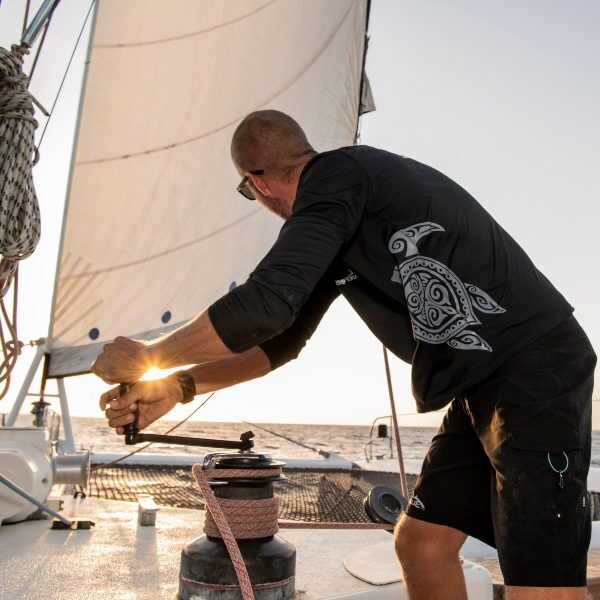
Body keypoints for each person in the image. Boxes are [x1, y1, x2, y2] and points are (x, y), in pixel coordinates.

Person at [92, 109, 596, 600]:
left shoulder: (340, 174)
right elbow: (277, 343)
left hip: (535, 368)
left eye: (249, 191)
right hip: (477, 387)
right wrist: (176, 386)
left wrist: (151, 353)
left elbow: (266, 301)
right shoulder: (338, 215)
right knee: (420, 543)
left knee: (539, 572)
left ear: (259, 183)